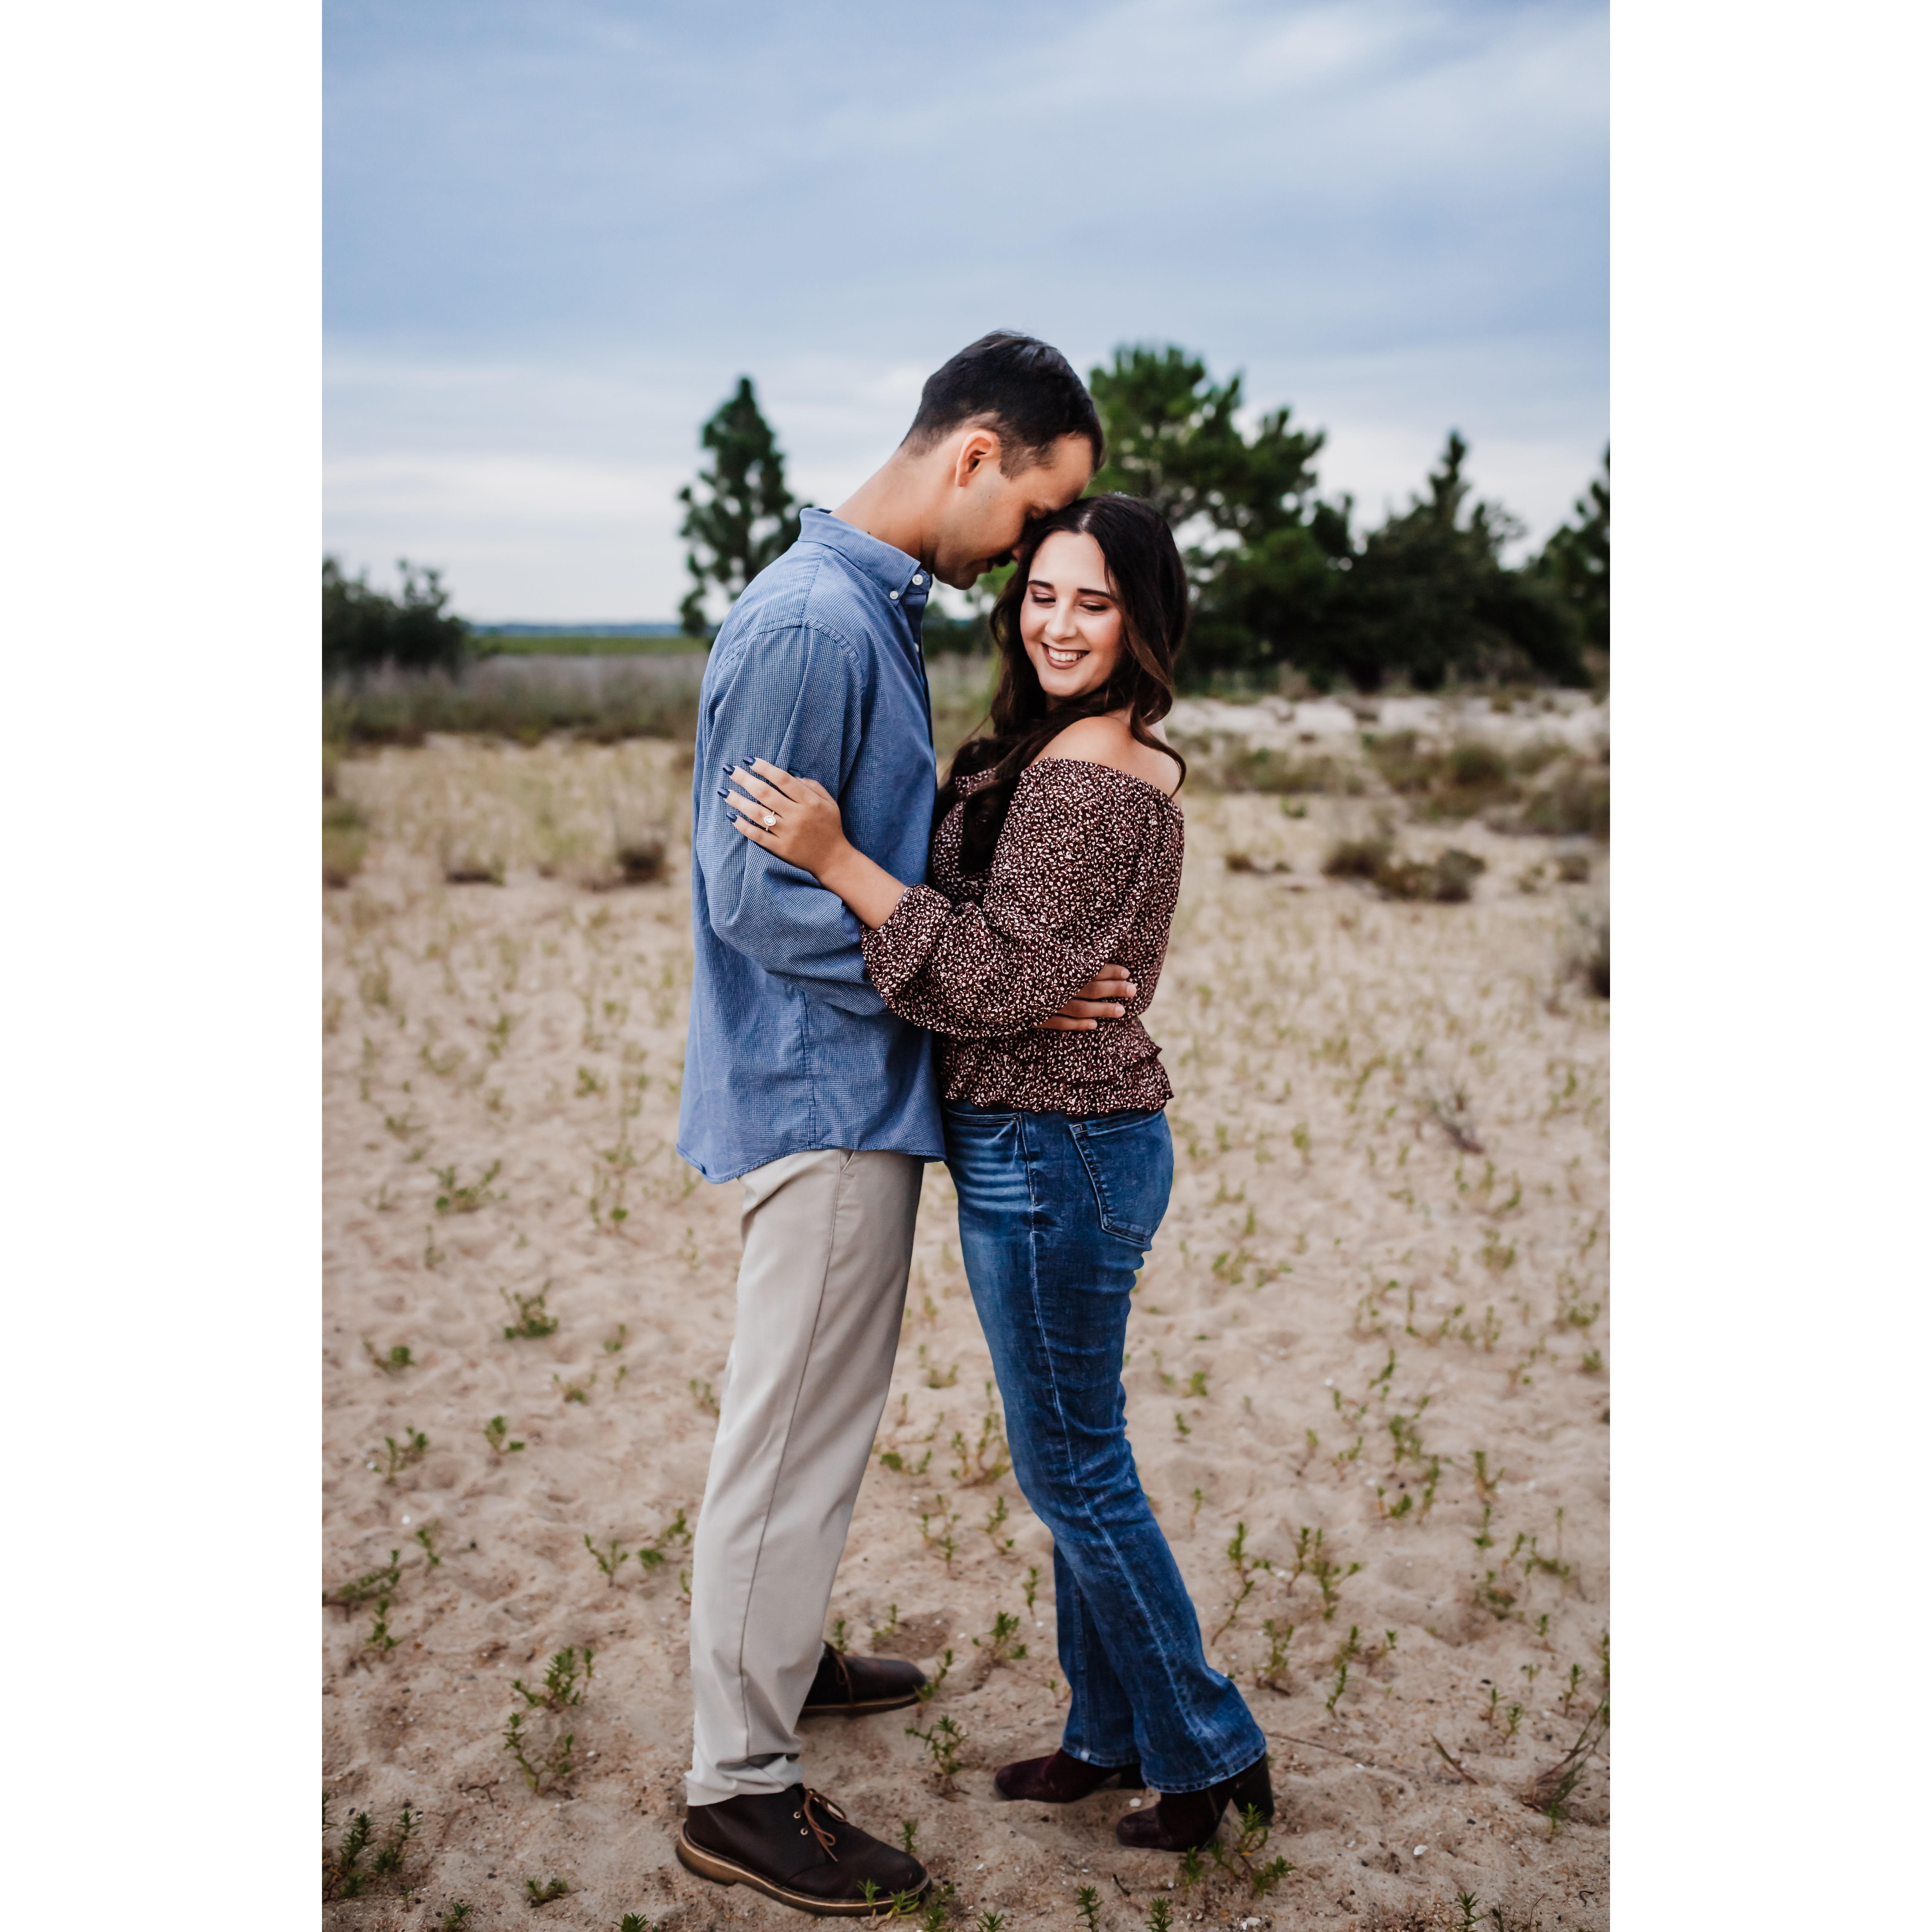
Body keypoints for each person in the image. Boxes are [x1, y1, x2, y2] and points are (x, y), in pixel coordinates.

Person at [722, 493, 1275, 1865]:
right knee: (1078, 1449)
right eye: (1042, 594)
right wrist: (1017, 973)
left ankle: (1208, 1749)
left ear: (1144, 621)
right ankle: (1106, 1730)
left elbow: (985, 975)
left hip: (1055, 1146)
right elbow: (1004, 958)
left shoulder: (1089, 775)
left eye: (1095, 603)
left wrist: (838, 862)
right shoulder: (1069, 746)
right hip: (1053, 1137)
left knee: (1074, 1467)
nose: (1059, 625)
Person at [673, 332, 1134, 1918]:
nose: (1030, 555)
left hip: (855, 1082)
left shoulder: (864, 609)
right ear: (976, 455)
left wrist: (989, 958)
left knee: (819, 1421)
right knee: (789, 1438)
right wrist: (969, 979)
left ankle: (781, 1657)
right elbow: (751, 895)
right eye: (1035, 514)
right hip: (821, 1096)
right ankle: (739, 1789)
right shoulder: (813, 623)